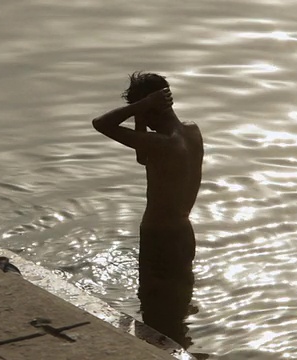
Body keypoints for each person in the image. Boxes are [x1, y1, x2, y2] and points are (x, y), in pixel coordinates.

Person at [91, 72, 203, 345]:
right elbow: (143, 158)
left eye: (143, 110)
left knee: (153, 310)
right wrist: (144, 114)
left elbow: (101, 123)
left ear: (151, 106)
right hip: (183, 233)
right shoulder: (190, 132)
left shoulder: (163, 144)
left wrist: (139, 107)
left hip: (159, 237)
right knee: (178, 305)